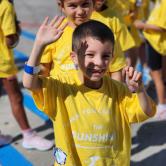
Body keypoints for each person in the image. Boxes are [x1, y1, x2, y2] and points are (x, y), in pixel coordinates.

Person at [23, 18, 156, 166]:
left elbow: (147, 111)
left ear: (112, 58)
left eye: (105, 56)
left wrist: (140, 90)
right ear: (74, 58)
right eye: (90, 55)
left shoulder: (117, 90)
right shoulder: (62, 86)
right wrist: (38, 45)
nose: (99, 62)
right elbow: (29, 83)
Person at [0, 0, 53, 150]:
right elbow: (10, 40)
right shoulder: (5, 5)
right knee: (16, 97)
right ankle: (28, 135)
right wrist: (17, 31)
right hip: (3, 62)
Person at [41, 0, 128, 82]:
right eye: (73, 6)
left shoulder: (105, 32)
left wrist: (115, 96)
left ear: (93, 3)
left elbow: (116, 71)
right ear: (62, 6)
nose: (80, 12)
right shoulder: (54, 33)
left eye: (85, 4)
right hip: (62, 96)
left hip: (98, 96)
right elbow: (44, 71)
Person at [133, 0, 166, 120]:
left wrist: (142, 25)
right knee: (159, 75)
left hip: (156, 44)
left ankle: (162, 106)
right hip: (156, 43)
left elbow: (162, 27)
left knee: (156, 76)